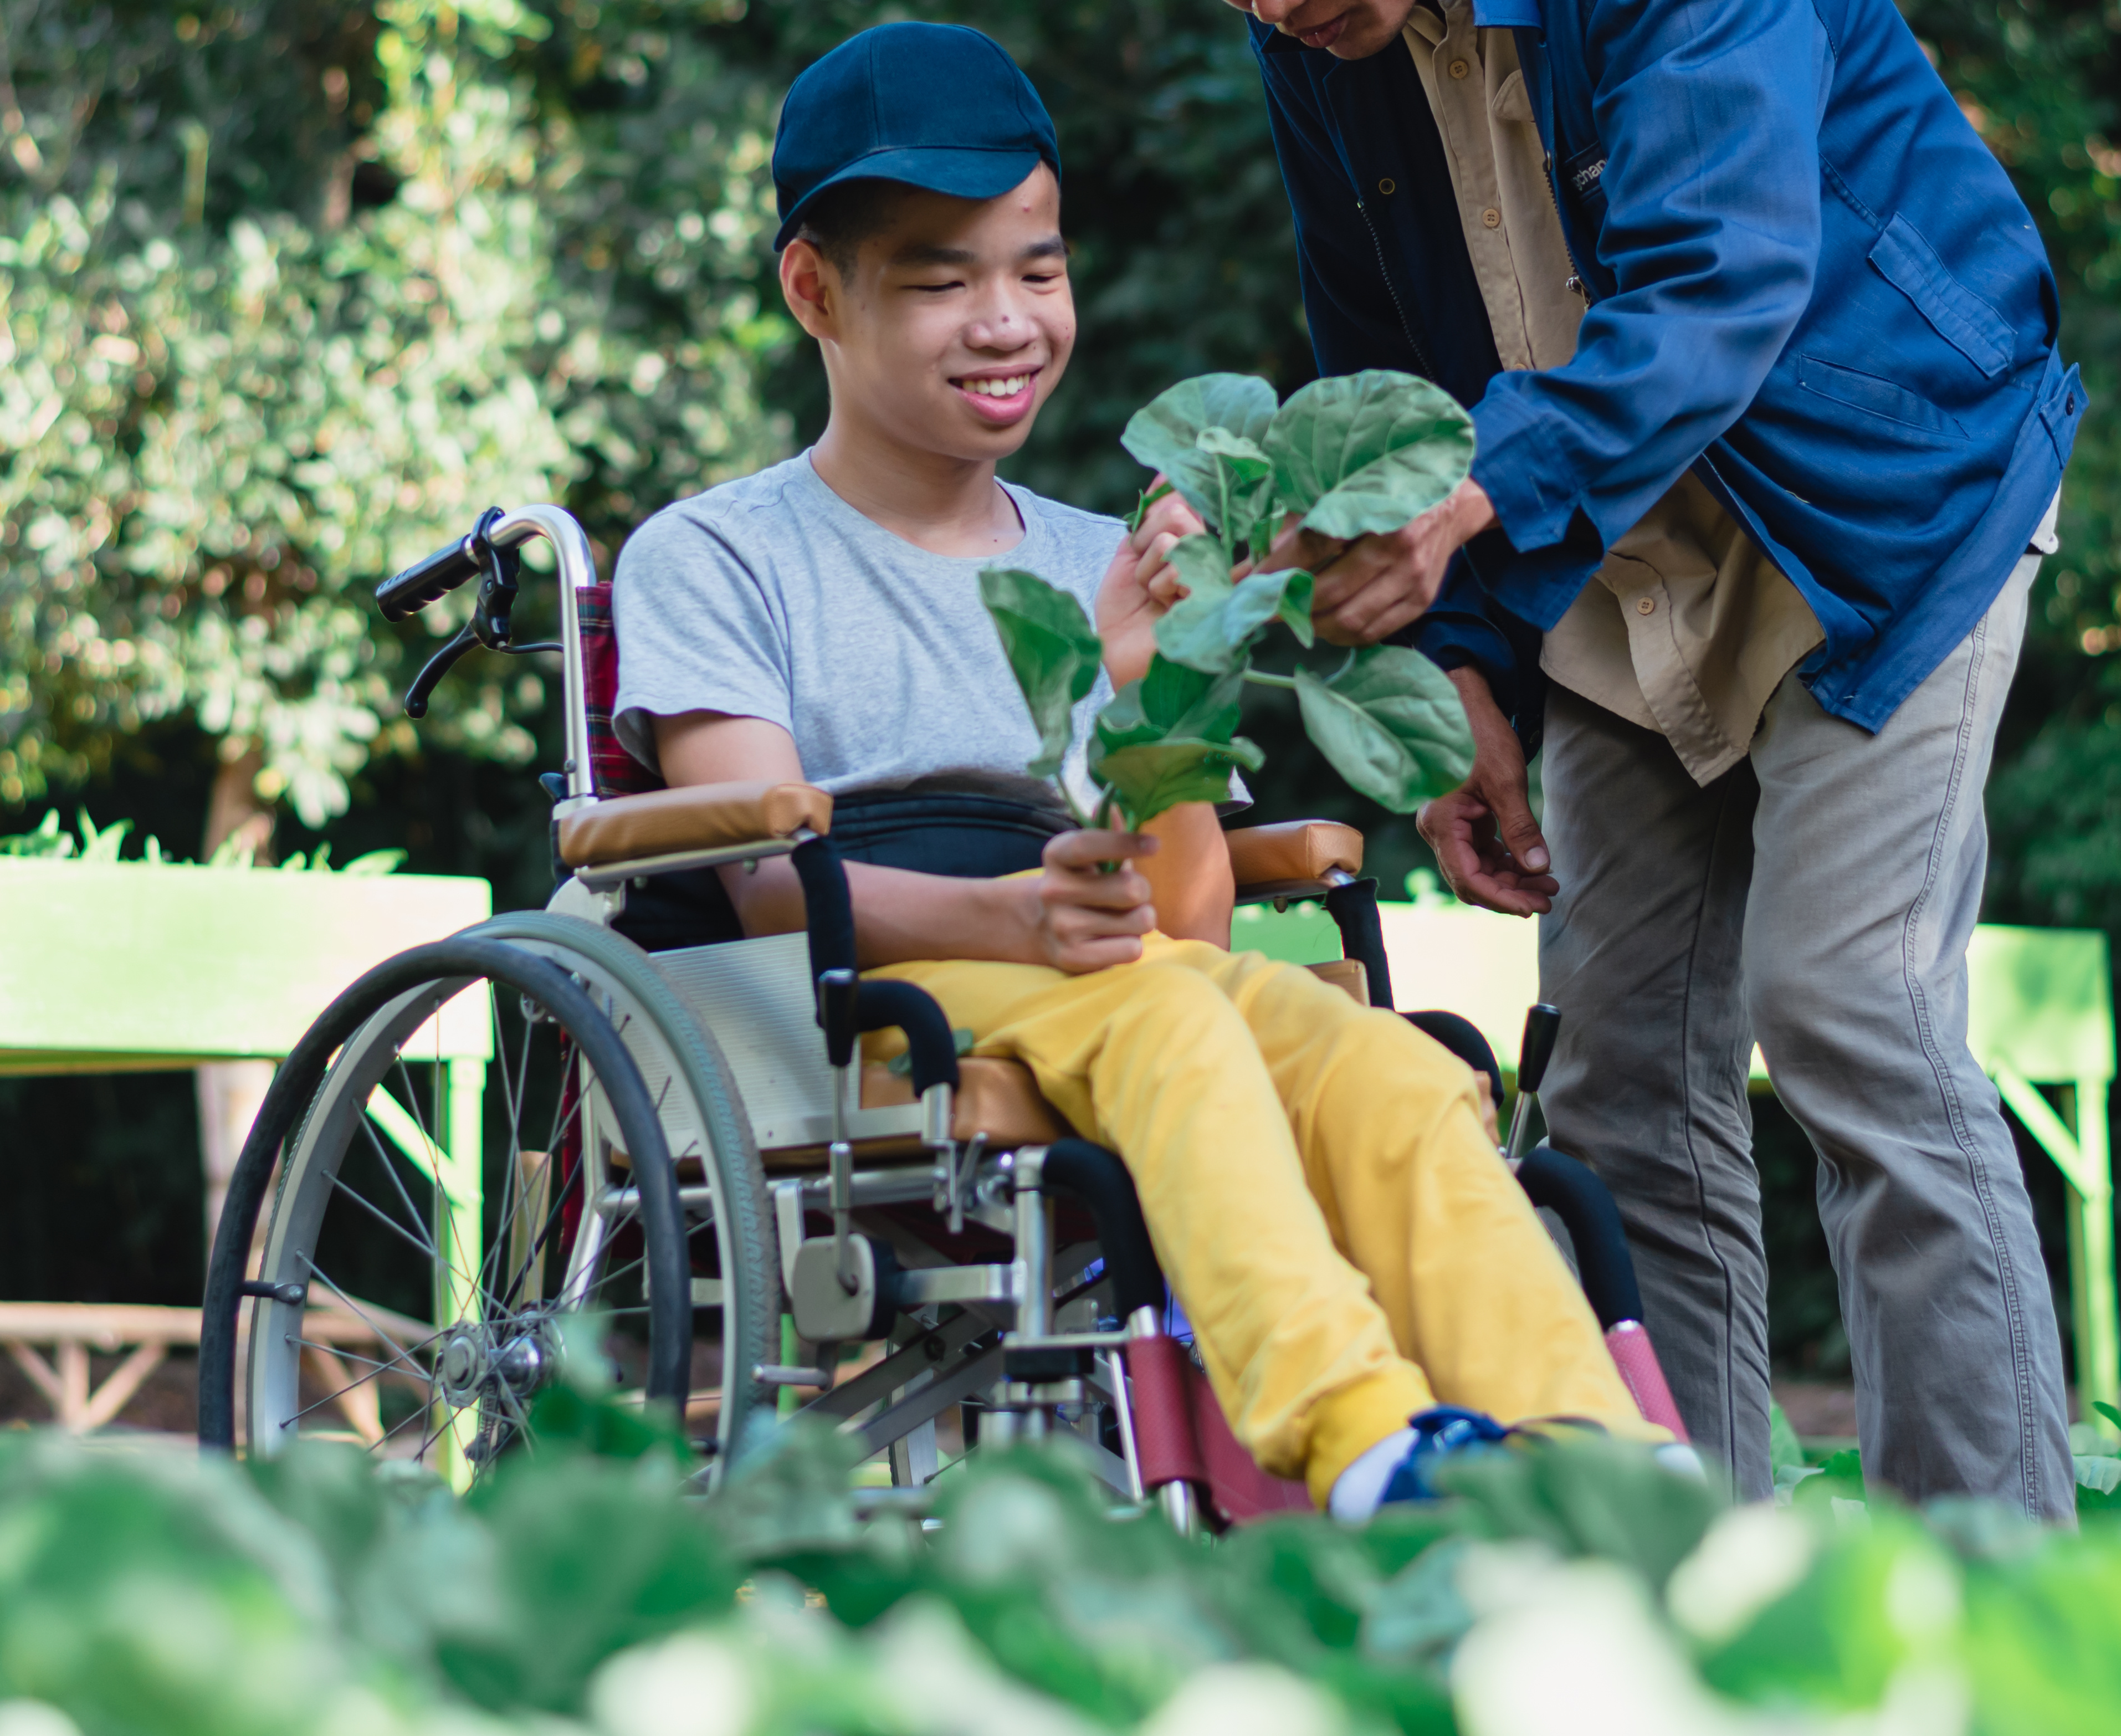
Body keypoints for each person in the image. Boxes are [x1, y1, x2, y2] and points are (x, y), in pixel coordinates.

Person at [607, 21, 1679, 1519]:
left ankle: (1598, 1464)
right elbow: (755, 877)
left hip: (1109, 963)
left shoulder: (1100, 558)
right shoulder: (717, 555)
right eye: (938, 279)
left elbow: (1186, 923)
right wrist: (1011, 921)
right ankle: (1364, 1438)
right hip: (861, 981)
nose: (1004, 322)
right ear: (812, 291)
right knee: (1167, 1021)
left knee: (1387, 1063)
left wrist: (1143, 684)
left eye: (1033, 269)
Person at [1232, 0, 2083, 1514]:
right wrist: (1456, 669)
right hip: (1605, 563)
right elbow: (1377, 359)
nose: (1276, 8)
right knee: (1617, 1077)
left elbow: (1719, 280)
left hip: (1880, 507)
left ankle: (1985, 1590)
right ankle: (1682, 1581)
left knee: (1846, 1010)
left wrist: (1466, 506)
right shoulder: (1313, 37)